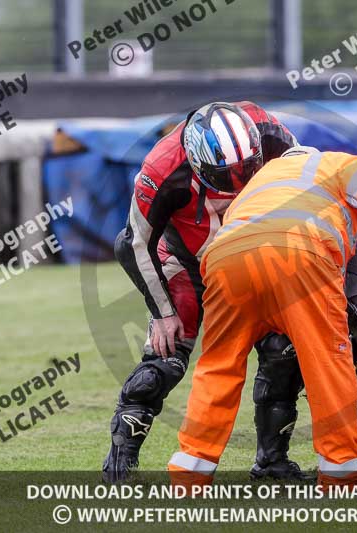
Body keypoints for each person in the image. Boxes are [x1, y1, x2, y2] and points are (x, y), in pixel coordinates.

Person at [168, 146, 357, 487]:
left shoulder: (257, 184)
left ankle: (189, 476)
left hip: (226, 259)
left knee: (218, 368)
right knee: (326, 363)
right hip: (299, 252)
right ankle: (339, 473)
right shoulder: (331, 165)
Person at [104, 102, 306, 482]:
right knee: (164, 361)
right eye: (225, 176)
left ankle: (271, 462)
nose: (238, 184)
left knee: (283, 354)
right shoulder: (161, 169)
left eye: (246, 169)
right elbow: (131, 244)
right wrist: (163, 314)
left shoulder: (269, 131)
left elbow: (307, 183)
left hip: (259, 256)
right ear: (196, 163)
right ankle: (121, 463)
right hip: (189, 261)